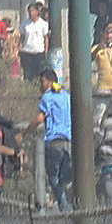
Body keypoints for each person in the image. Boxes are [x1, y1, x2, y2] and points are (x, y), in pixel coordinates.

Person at [22, 68, 74, 210]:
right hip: (69, 142)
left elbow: (40, 118)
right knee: (64, 176)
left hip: (53, 142)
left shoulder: (48, 97)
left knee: (52, 177)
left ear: (50, 82)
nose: (40, 85)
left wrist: (24, 133)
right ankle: (65, 201)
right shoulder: (67, 96)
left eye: (42, 82)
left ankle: (64, 205)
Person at [18, 1, 50, 82]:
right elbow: (22, 37)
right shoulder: (24, 23)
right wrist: (20, 48)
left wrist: (46, 50)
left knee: (39, 72)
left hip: (39, 52)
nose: (30, 13)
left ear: (37, 12)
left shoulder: (43, 24)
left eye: (32, 11)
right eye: (29, 11)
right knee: (28, 73)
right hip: (27, 51)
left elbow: (46, 38)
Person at [92, 24, 112, 95]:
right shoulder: (97, 48)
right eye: (107, 33)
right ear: (102, 33)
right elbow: (90, 57)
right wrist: (99, 48)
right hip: (103, 88)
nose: (109, 36)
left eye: (111, 33)